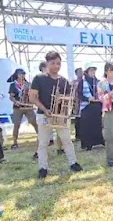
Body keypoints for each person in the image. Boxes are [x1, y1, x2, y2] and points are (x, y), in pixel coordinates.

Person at [30, 51, 83, 179]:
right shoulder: (39, 79)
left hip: (60, 117)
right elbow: (32, 97)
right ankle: (43, 167)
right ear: (47, 63)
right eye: (53, 63)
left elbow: (70, 98)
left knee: (66, 140)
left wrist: (67, 108)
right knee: (43, 143)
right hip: (44, 115)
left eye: (58, 63)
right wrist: (44, 109)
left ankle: (73, 162)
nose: (56, 66)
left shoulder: (64, 81)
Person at [7, 68, 39, 152]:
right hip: (18, 107)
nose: (22, 75)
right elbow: (11, 96)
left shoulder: (28, 84)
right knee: (16, 124)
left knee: (34, 122)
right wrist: (16, 102)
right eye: (20, 74)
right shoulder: (13, 85)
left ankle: (41, 139)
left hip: (28, 107)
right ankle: (14, 142)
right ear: (16, 75)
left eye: (23, 74)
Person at [39, 61, 64, 153]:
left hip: (57, 110)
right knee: (43, 135)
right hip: (45, 111)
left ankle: (59, 148)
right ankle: (38, 153)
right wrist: (43, 108)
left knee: (60, 131)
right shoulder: (39, 79)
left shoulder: (59, 79)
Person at [78, 66, 105, 150]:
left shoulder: (98, 82)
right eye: (91, 70)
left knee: (97, 124)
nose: (93, 72)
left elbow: (103, 92)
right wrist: (88, 98)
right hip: (86, 106)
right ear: (87, 72)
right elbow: (79, 94)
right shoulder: (82, 82)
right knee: (87, 125)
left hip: (96, 105)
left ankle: (99, 141)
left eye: (94, 70)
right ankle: (87, 144)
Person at [72, 67, 83, 143]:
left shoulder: (85, 81)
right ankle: (77, 136)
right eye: (79, 72)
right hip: (77, 103)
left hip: (83, 102)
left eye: (81, 72)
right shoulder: (74, 82)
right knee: (77, 120)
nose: (81, 74)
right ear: (76, 74)